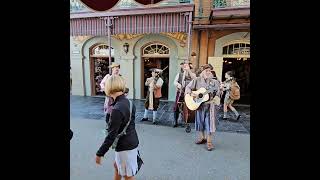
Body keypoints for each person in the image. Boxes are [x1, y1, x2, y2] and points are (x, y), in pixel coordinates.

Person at [95, 75, 139, 180]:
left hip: (124, 147)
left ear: (109, 88)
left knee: (128, 176)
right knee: (117, 166)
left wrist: (100, 153)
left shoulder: (117, 109)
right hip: (132, 142)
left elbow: (111, 135)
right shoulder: (129, 102)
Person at [185, 64, 220, 151]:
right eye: (206, 71)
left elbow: (218, 92)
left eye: (210, 71)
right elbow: (188, 87)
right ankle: (202, 138)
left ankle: (209, 142)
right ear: (202, 72)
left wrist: (217, 96)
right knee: (200, 122)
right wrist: (191, 93)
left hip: (210, 106)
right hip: (199, 105)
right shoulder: (197, 80)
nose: (208, 72)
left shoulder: (214, 82)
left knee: (209, 124)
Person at [173, 60, 196, 128]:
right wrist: (178, 85)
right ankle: (175, 121)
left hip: (189, 94)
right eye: (184, 66)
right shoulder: (179, 74)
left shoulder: (193, 74)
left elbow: (195, 79)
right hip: (180, 92)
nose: (185, 67)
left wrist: (189, 71)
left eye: (186, 66)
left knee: (188, 107)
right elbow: (174, 82)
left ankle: (187, 121)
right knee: (176, 107)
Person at [100, 63, 121, 131]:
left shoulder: (120, 77)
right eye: (115, 68)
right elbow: (102, 83)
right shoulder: (108, 76)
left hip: (118, 97)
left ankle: (116, 125)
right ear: (112, 69)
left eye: (118, 68)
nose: (117, 69)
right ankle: (108, 124)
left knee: (117, 111)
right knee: (109, 111)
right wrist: (105, 90)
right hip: (110, 97)